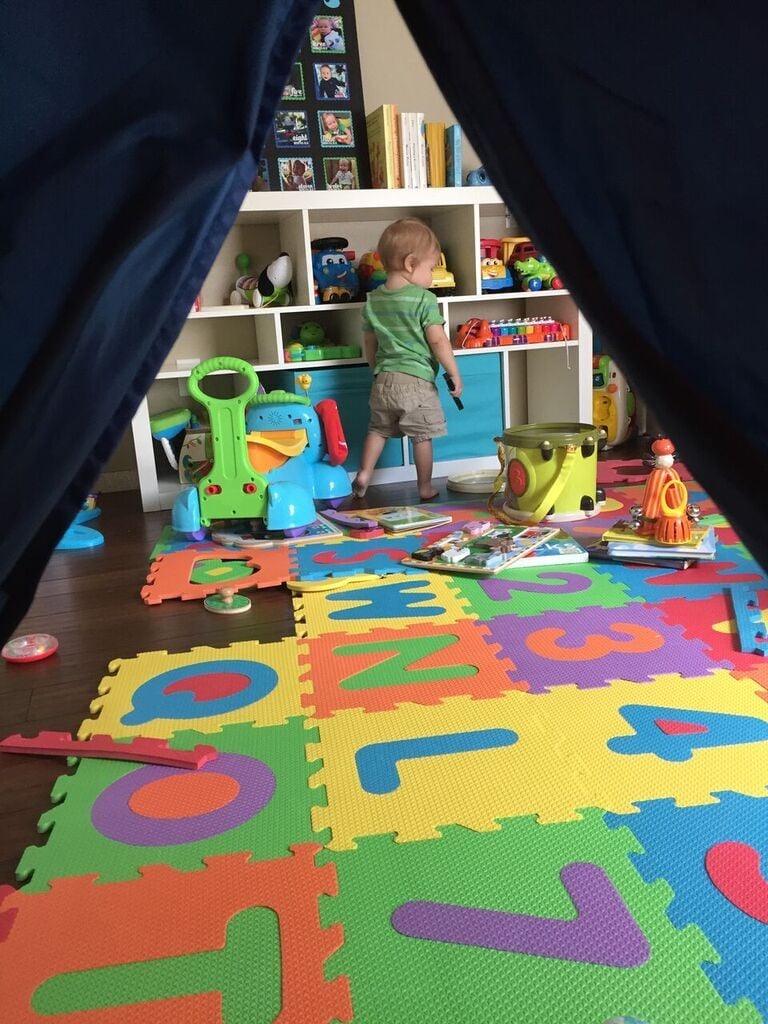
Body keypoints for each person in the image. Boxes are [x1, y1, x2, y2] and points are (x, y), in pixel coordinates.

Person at [353, 218, 463, 502]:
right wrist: (454, 373)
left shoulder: (373, 300)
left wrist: (374, 368)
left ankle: (364, 473)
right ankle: (424, 487)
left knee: (377, 429)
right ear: (411, 264)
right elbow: (438, 340)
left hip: (383, 380)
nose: (432, 275)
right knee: (421, 436)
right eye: (431, 267)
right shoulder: (423, 299)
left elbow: (369, 341)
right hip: (416, 382)